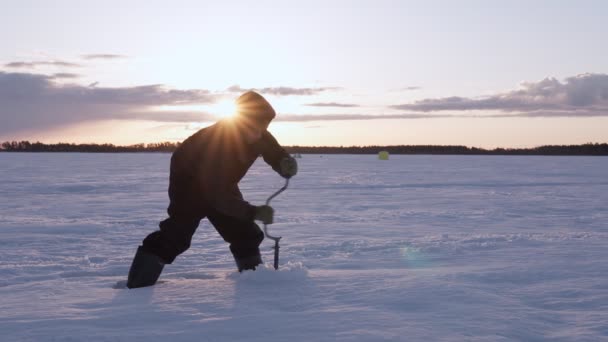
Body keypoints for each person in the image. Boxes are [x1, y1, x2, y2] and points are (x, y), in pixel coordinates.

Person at [127, 91, 298, 289]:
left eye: (263, 127)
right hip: (188, 182)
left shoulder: (259, 134)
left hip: (221, 182)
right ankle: (136, 288)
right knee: (175, 237)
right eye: (255, 128)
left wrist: (283, 162)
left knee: (245, 234)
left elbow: (272, 150)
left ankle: (253, 282)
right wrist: (253, 212)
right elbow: (215, 195)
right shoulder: (218, 142)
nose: (259, 133)